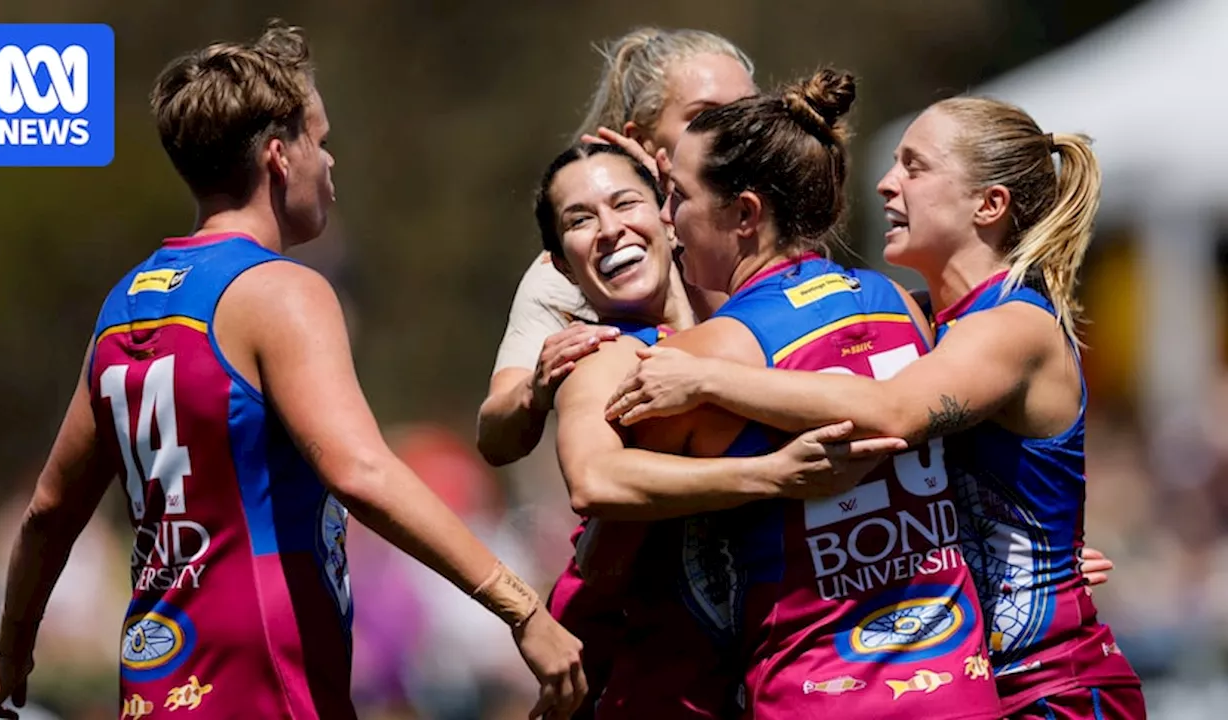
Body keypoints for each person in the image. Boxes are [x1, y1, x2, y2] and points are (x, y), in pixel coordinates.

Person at [0, 21, 585, 720]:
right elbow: (362, 473)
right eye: (320, 142)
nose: (330, 165)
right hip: (265, 678)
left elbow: (50, 511)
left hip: (156, 680)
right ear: (278, 157)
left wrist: (11, 654)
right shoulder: (281, 292)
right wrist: (520, 606)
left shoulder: (124, 305)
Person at [605, 96, 1146, 718]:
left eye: (915, 167)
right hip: (996, 689)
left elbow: (891, 413)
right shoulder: (931, 317)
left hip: (1060, 689)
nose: (888, 183)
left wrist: (709, 380)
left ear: (989, 205)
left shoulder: (1011, 325)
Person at [533, 140, 908, 717]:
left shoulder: (749, 325)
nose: (610, 230)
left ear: (668, 218)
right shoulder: (602, 358)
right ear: (561, 264)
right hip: (662, 690)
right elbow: (593, 493)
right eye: (580, 220)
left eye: (626, 203)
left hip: (784, 674)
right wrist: (770, 474)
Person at [477, 27, 756, 467]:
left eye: (750, 113)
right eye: (706, 116)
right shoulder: (571, 268)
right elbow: (495, 439)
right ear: (641, 140)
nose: (740, 134)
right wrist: (534, 390)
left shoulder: (765, 226)